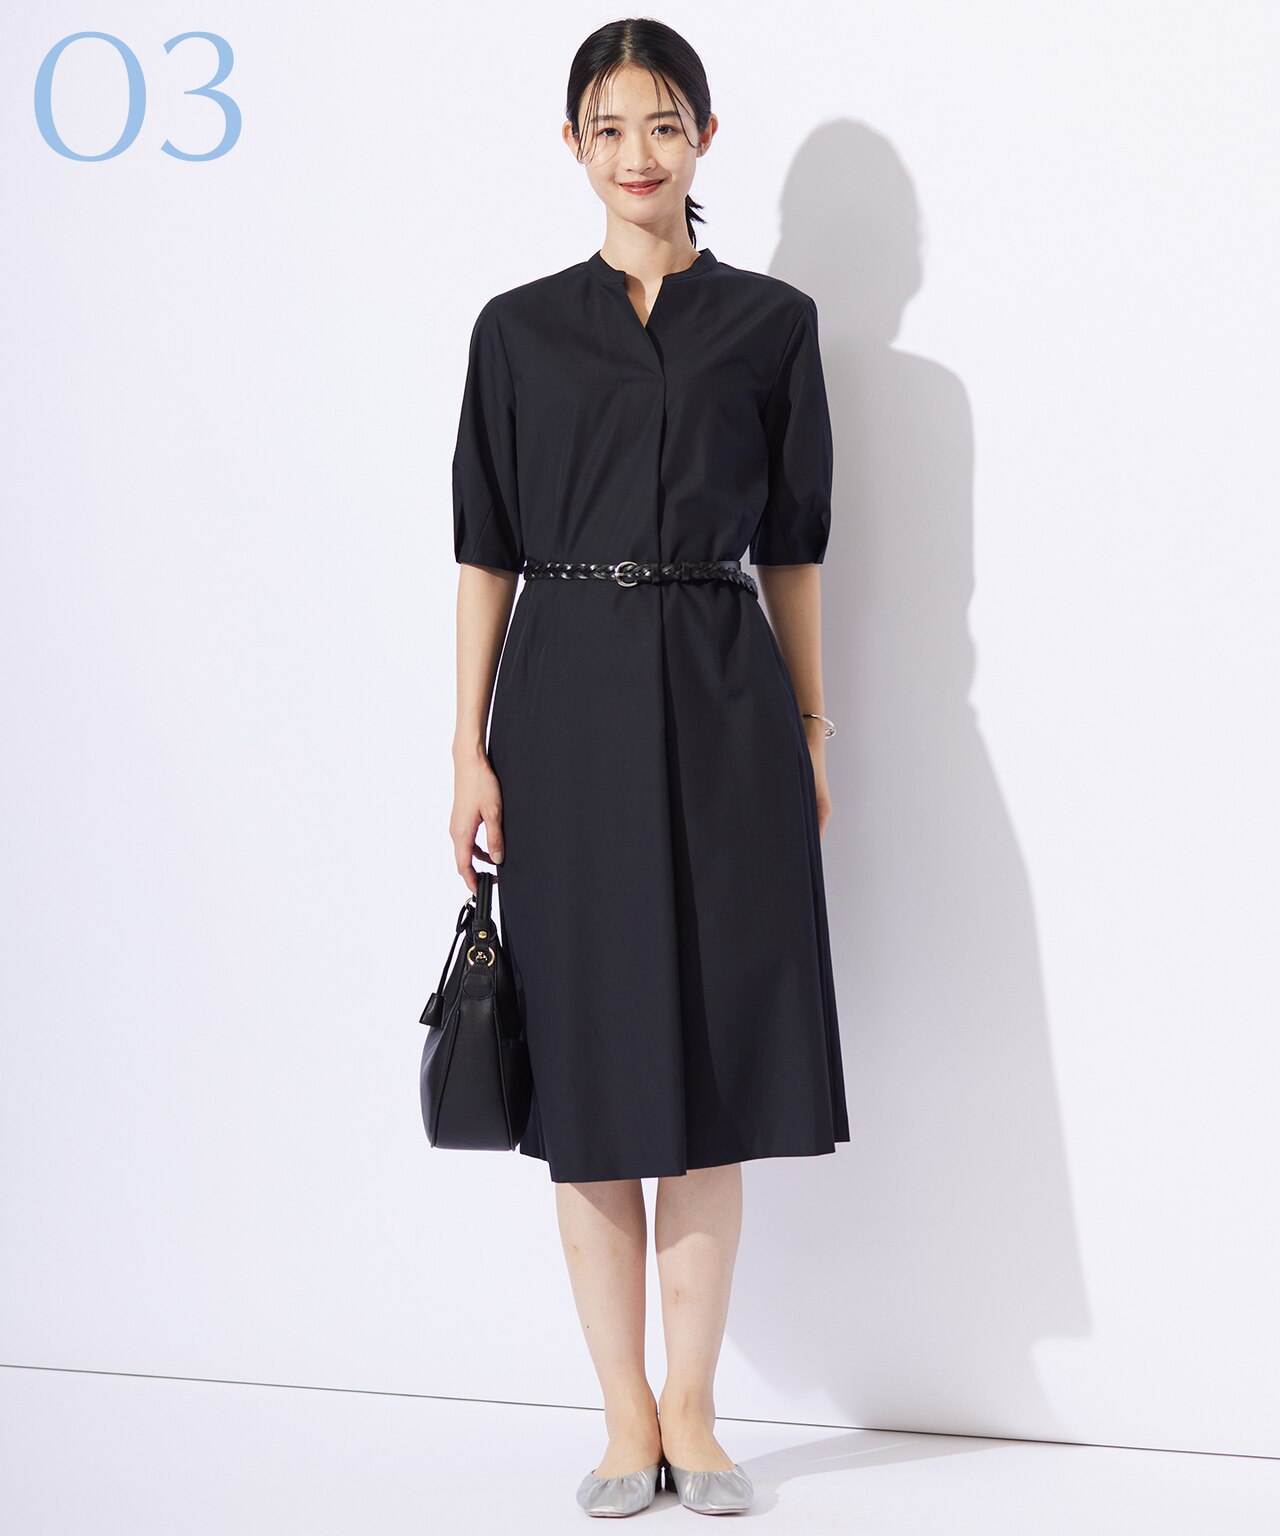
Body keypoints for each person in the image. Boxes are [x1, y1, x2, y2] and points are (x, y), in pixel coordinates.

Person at [448, 18, 849, 1519]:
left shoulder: (773, 324)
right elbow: (485, 550)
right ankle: (623, 1411)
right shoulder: (515, 331)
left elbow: (794, 546)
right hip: (564, 708)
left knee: (711, 1065)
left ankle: (694, 1407)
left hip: (725, 699)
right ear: (572, 144)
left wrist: (810, 727)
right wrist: (467, 746)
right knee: (597, 1067)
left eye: (664, 124)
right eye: (609, 127)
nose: (637, 154)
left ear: (705, 139)